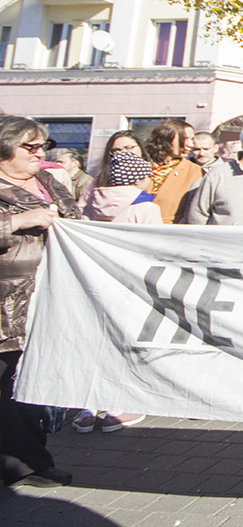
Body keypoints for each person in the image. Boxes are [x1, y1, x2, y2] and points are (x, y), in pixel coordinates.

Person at [0, 115, 79, 488]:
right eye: (28, 147)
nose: (38, 153)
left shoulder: (48, 180)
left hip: (45, 298)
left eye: (42, 146)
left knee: (31, 383)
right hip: (5, 303)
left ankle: (32, 460)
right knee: (6, 386)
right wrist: (17, 222)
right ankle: (26, 463)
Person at [76, 151, 161, 433]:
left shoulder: (91, 202)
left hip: (94, 279)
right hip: (128, 282)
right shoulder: (146, 207)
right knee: (121, 340)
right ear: (140, 178)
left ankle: (85, 408)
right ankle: (115, 406)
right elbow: (156, 247)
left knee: (93, 340)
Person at [144, 119, 202, 224]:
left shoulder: (195, 172)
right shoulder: (141, 166)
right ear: (165, 139)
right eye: (184, 139)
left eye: (192, 139)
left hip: (169, 231)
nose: (190, 144)